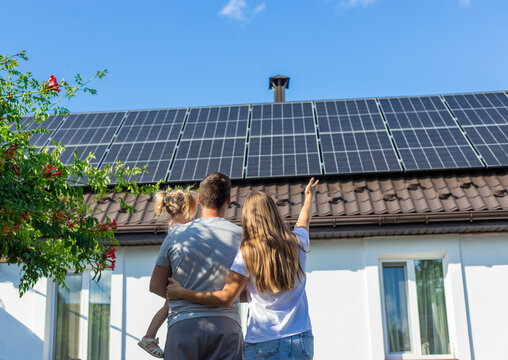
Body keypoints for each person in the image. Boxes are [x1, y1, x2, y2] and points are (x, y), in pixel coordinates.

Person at [166, 178, 319, 360]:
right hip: (301, 338)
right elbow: (304, 220)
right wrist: (309, 198)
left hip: (264, 341)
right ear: (274, 212)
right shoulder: (299, 241)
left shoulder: (248, 251)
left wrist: (182, 292)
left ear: (248, 218)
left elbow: (226, 297)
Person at [149, 172, 244, 360]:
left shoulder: (175, 236)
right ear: (229, 199)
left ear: (199, 198)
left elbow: (156, 286)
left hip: (183, 326)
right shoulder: (242, 236)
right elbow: (248, 291)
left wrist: (185, 295)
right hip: (226, 328)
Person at [138, 189, 198, 358]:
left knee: (168, 306)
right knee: (170, 305)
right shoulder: (182, 230)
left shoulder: (174, 227)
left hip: (175, 276)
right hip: (177, 278)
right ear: (187, 210)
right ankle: (148, 336)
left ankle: (149, 336)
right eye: (194, 210)